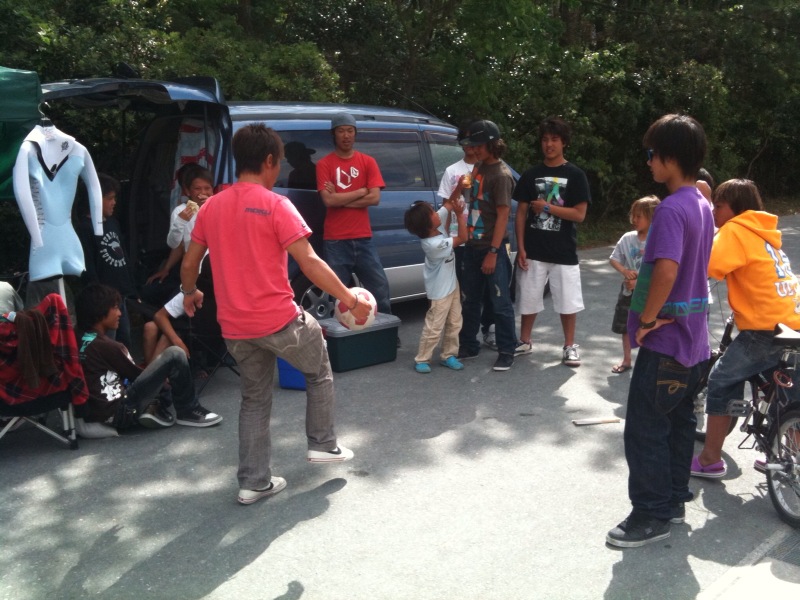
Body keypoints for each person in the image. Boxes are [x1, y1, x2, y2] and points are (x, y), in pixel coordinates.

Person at [181, 123, 372, 506]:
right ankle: (323, 444)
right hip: (279, 319)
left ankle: (253, 482)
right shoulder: (276, 204)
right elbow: (310, 261)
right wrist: (350, 299)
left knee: (254, 400)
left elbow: (190, 264)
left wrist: (190, 293)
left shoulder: (211, 206)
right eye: (279, 163)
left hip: (235, 327)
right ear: (269, 161)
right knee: (319, 371)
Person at [606, 114, 714, 548]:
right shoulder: (701, 202)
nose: (648, 162)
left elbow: (666, 270)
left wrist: (647, 321)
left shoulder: (670, 208)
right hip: (694, 341)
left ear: (670, 157)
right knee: (678, 422)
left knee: (645, 429)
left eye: (652, 154)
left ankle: (649, 515)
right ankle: (672, 500)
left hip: (666, 342)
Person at [691, 179, 800, 478]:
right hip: (792, 322)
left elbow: (707, 265)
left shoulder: (736, 230)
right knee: (787, 392)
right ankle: (785, 456)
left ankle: (710, 459)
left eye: (718, 206)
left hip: (765, 327)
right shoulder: (765, 234)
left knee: (721, 379)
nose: (714, 211)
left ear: (736, 208)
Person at [74, 282, 223, 430]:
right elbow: (137, 376)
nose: (120, 313)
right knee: (175, 354)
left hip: (96, 412)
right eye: (115, 308)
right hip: (120, 412)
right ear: (100, 312)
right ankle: (188, 409)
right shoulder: (109, 346)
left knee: (161, 380)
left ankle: (155, 407)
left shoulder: (78, 337)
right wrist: (164, 383)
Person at [512, 116, 591, 367]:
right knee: (528, 297)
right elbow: (521, 214)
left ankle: (569, 346)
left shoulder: (575, 175)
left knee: (568, 301)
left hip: (564, 250)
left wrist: (547, 207)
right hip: (533, 249)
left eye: (554, 139)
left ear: (564, 142)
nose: (549, 144)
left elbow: (579, 214)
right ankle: (525, 340)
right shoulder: (531, 175)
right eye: (545, 139)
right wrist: (521, 248)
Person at [455, 119, 517, 372]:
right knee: (469, 300)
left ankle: (507, 350)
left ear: (492, 144)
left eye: (478, 145)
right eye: (472, 145)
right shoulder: (479, 166)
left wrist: (493, 252)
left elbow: (503, 215)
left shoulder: (501, 175)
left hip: (493, 248)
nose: (474, 150)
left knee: (500, 302)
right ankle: (469, 345)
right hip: (472, 245)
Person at [315, 112, 392, 314]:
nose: (346, 135)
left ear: (355, 133)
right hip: (335, 240)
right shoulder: (324, 164)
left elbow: (374, 198)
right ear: (334, 134)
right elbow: (328, 201)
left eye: (350, 131)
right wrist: (360, 191)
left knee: (380, 290)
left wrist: (340, 199)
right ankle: (340, 332)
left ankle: (386, 327)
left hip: (363, 237)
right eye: (341, 131)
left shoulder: (368, 162)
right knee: (337, 296)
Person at [437, 124, 495, 350]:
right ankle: (465, 338)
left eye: (475, 141)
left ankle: (490, 329)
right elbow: (446, 207)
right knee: (467, 291)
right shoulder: (452, 171)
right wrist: (459, 188)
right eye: (466, 141)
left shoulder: (490, 168)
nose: (470, 146)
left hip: (485, 236)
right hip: (460, 238)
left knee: (490, 288)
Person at [404, 194, 468, 373]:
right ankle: (422, 359)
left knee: (455, 322)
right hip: (440, 291)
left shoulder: (434, 225)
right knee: (434, 326)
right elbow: (463, 238)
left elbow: (448, 202)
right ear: (428, 224)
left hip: (452, 284)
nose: (437, 212)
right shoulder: (433, 244)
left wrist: (460, 185)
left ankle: (449, 355)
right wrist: (460, 214)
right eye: (433, 212)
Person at [76, 173, 139, 350]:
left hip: (120, 295)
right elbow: (88, 265)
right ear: (95, 199)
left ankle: (124, 367)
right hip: (102, 299)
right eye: (109, 198)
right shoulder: (85, 228)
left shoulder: (113, 223)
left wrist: (132, 289)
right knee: (106, 341)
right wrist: (97, 294)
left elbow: (123, 257)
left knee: (124, 338)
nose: (114, 202)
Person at [608, 196, 660, 374]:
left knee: (650, 326)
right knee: (626, 326)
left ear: (652, 218)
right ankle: (627, 359)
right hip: (628, 293)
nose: (634, 220)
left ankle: (648, 364)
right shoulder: (628, 238)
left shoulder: (658, 240)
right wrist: (624, 271)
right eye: (633, 216)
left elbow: (662, 270)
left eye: (639, 216)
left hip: (649, 294)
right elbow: (614, 259)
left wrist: (639, 282)